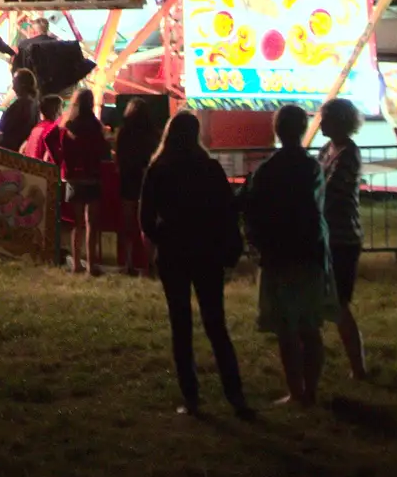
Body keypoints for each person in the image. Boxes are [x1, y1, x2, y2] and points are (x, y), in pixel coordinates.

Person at [139, 111, 253, 420]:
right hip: (207, 253)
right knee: (216, 324)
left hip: (174, 253)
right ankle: (236, 395)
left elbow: (145, 219)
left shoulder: (159, 169)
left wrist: (163, 236)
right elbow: (227, 211)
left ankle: (192, 397)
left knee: (181, 326)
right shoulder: (210, 168)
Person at [243, 104, 336, 408]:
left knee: (286, 328)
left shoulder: (268, 169)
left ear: (277, 130)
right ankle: (311, 390)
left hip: (279, 254)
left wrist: (255, 240)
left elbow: (252, 209)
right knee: (310, 326)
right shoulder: (312, 168)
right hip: (310, 252)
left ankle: (296, 390)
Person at [318, 98, 367, 381]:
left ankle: (358, 367)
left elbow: (330, 191)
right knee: (327, 302)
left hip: (343, 237)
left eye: (325, 118)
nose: (321, 123)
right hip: (328, 234)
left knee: (339, 304)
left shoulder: (347, 153)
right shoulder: (328, 150)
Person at [60, 88, 109, 275]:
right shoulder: (96, 126)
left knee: (77, 223)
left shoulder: (69, 126)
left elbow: (63, 151)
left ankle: (77, 265)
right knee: (92, 224)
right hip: (92, 176)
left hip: (74, 177)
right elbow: (102, 150)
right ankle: (91, 265)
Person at [116, 99, 160, 276]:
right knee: (147, 224)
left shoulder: (123, 132)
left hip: (128, 179)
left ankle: (128, 262)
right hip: (146, 181)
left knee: (128, 224)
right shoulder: (152, 134)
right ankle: (148, 264)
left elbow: (118, 157)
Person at [13, 16, 95, 97]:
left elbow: (17, 68)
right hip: (58, 89)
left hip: (34, 89)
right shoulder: (59, 44)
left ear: (35, 32)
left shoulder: (25, 45)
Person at [0, 68, 41, 153]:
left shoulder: (21, 104)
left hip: (9, 149)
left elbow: (4, 125)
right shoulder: (35, 105)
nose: (13, 85)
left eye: (14, 81)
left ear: (22, 84)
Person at [21, 94, 64, 167]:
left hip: (28, 167)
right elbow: (47, 157)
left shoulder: (37, 127)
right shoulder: (52, 129)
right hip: (39, 170)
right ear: (57, 111)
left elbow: (22, 148)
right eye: (61, 108)